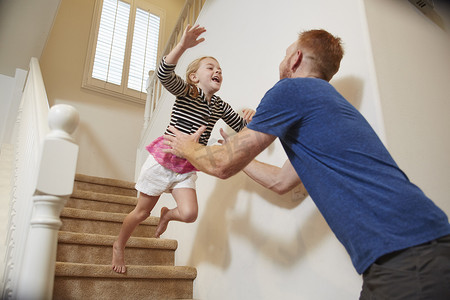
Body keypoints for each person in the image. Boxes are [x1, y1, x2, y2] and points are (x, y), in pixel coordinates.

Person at [164, 29, 450, 299]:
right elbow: (281, 181)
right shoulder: (326, 106)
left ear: (296, 58)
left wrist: (188, 147)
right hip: (419, 249)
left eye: (285, 53)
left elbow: (221, 166)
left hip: (407, 256)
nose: (283, 60)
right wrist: (235, 154)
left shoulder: (290, 90)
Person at [112, 24, 255, 274]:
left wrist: (252, 117)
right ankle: (118, 245)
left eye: (220, 69)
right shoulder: (188, 92)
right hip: (163, 160)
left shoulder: (219, 105)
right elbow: (164, 74)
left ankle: (167, 215)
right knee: (142, 213)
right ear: (194, 77)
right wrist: (182, 46)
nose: (217, 71)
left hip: (187, 165)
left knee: (189, 214)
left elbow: (241, 126)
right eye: (210, 67)